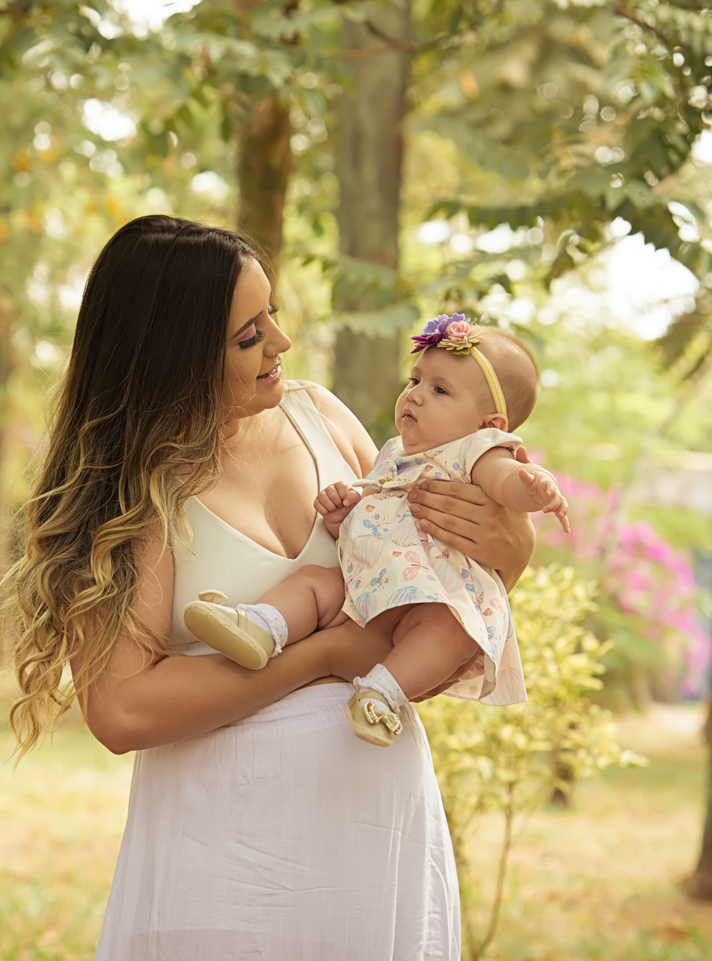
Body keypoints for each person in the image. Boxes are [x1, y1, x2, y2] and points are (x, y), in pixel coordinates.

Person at [3, 217, 535, 961]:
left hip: (373, 869)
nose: (280, 344)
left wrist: (508, 539)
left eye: (273, 314)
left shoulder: (325, 419)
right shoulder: (143, 486)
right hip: (226, 876)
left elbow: (460, 566)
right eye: (250, 333)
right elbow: (123, 704)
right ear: (174, 348)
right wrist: (325, 658)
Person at [183, 311, 569, 747]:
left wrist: (535, 487)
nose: (417, 396)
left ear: (489, 424)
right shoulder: (394, 452)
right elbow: (377, 509)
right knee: (313, 582)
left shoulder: (478, 451)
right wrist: (343, 516)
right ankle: (259, 626)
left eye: (440, 390)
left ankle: (382, 693)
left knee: (450, 633)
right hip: (366, 584)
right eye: (415, 380)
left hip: (432, 596)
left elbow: (505, 481)